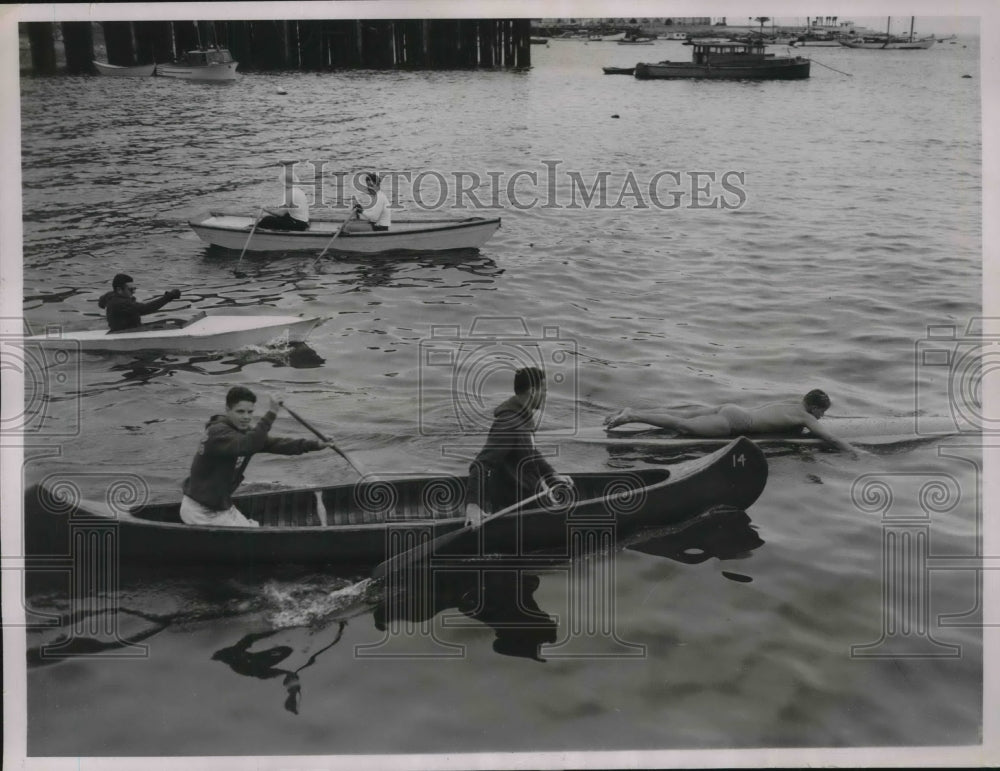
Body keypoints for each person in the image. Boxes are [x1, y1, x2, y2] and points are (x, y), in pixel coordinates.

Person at [181, 386, 334, 527]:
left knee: (253, 531)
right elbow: (250, 444)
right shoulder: (218, 433)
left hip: (221, 507)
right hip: (201, 512)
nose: (246, 417)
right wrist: (271, 412)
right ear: (228, 409)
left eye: (250, 412)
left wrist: (316, 444)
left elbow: (277, 444)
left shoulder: (244, 433)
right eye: (240, 412)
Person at [603, 389, 863, 458]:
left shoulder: (795, 404)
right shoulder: (806, 417)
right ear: (815, 407)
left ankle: (634, 411)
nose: (822, 418)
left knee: (685, 414)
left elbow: (782, 419)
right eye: (822, 412)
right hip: (735, 422)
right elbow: (830, 438)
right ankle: (631, 417)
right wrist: (854, 452)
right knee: (682, 425)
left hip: (732, 409)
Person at [465, 367, 574, 526]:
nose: (546, 395)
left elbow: (531, 453)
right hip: (513, 505)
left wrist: (552, 475)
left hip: (526, 494)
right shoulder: (509, 423)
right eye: (544, 390)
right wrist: (473, 505)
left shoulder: (522, 418)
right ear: (532, 391)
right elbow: (481, 464)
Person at [96, 273, 182, 332]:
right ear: (119, 289)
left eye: (134, 288)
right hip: (124, 334)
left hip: (126, 329)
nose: (133, 292)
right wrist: (168, 297)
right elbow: (146, 309)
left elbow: (101, 303)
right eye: (130, 289)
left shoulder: (110, 296)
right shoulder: (120, 303)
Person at [257, 165, 310, 231]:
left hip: (298, 225)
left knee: (267, 219)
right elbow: (287, 209)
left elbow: (281, 213)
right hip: (304, 223)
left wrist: (266, 209)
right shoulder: (299, 191)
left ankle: (256, 228)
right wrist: (272, 207)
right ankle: (259, 227)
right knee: (283, 217)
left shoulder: (289, 193)